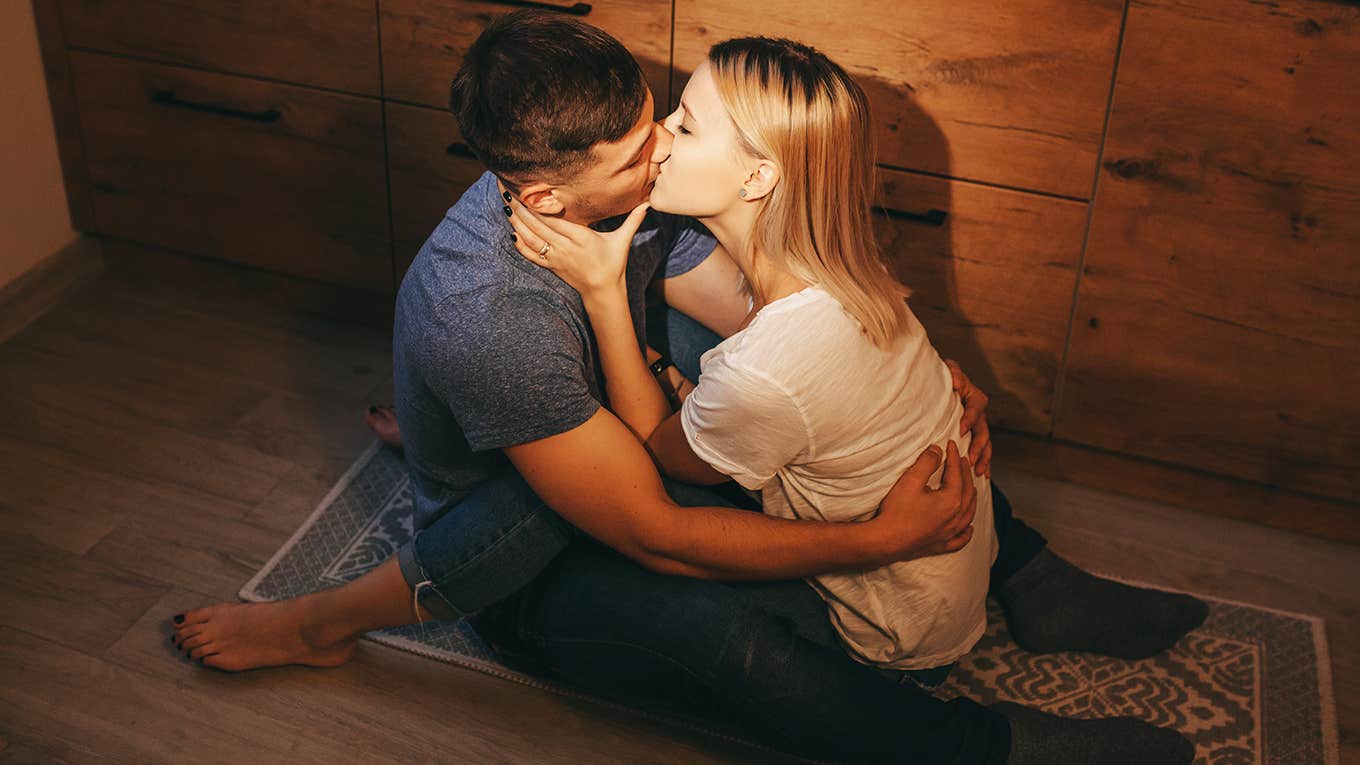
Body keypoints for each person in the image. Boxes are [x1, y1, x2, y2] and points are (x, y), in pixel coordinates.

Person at [172, 11, 1203, 764]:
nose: (666, 144)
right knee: (722, 635)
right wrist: (873, 541)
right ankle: (977, 750)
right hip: (530, 569)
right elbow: (654, 529)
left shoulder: (618, 186)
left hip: (592, 424)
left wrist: (908, 372)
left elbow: (773, 328)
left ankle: (1029, 574)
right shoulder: (490, 312)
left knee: (807, 405)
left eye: (667, 120)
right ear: (542, 194)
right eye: (644, 144)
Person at [508, 36, 1002, 678]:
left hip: (884, 635)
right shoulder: (850, 271)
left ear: (757, 176)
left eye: (687, 124)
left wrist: (603, 292)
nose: (659, 135)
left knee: (586, 561)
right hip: (946, 583)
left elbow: (656, 451)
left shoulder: (767, 369)